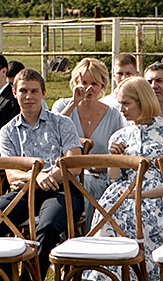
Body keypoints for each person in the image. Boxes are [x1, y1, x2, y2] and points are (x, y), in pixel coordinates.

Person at [77, 77, 163, 281]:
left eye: (127, 103)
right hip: (123, 194)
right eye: (120, 103)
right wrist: (114, 158)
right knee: (107, 220)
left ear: (143, 102)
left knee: (137, 221)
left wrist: (139, 194)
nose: (122, 109)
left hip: (161, 197)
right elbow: (114, 177)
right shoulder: (120, 134)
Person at [0, 68, 82, 281]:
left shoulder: (62, 123)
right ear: (15, 93)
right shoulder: (8, 130)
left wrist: (51, 176)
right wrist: (35, 178)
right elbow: (11, 172)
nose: (28, 96)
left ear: (43, 93)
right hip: (26, 190)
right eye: (23, 91)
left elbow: (74, 163)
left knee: (46, 228)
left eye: (34, 91)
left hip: (62, 189)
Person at [50, 58, 124, 196]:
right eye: (84, 83)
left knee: (88, 182)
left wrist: (91, 166)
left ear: (102, 85)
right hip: (64, 175)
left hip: (100, 177)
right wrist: (74, 102)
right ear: (76, 83)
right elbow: (51, 134)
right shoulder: (62, 106)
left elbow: (117, 156)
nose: (88, 88)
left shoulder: (113, 115)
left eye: (94, 84)